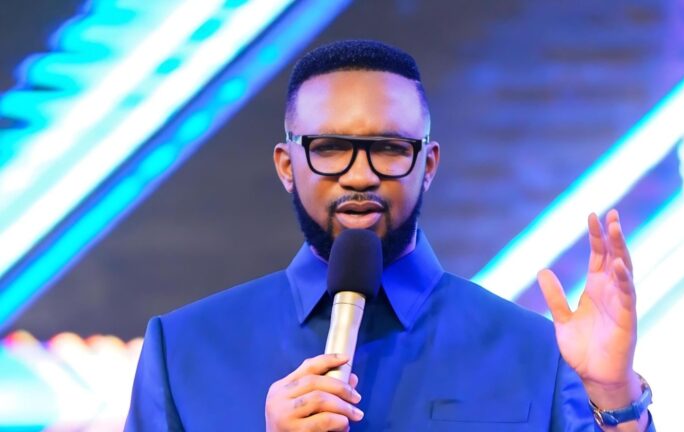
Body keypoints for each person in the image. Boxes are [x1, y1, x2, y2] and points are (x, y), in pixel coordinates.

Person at [125, 40, 655, 431]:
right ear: (287, 165)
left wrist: (612, 391)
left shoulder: (534, 351)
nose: (360, 174)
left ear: (427, 164)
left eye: (391, 148)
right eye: (330, 147)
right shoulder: (185, 351)